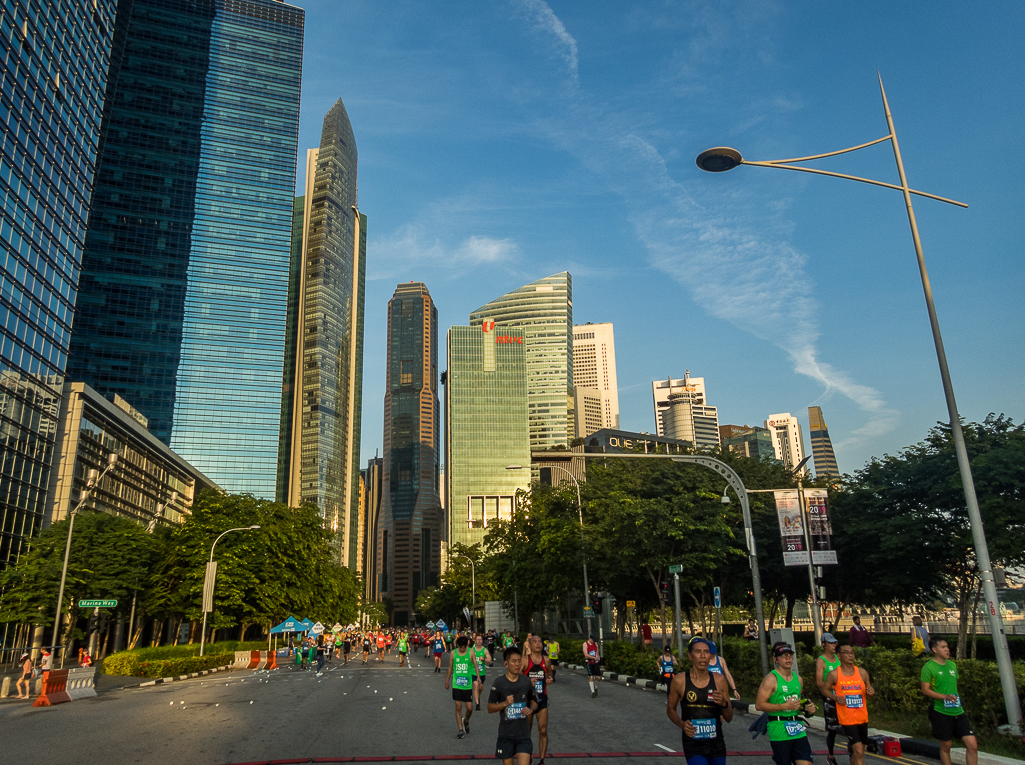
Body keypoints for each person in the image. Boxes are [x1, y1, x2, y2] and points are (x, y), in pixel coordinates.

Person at [667, 637, 733, 765]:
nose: (703, 656)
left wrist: (723, 704)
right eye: (698, 652)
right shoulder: (680, 680)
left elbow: (729, 717)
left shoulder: (719, 680)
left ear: (710, 656)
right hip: (693, 742)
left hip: (716, 742)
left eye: (706, 652)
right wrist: (681, 724)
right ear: (690, 656)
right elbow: (670, 709)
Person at [755, 642, 817, 765]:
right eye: (783, 655)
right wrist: (784, 706)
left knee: (806, 763)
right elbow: (759, 705)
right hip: (779, 729)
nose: (787, 658)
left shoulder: (798, 679)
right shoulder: (771, 679)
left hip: (797, 728)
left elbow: (798, 704)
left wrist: (808, 710)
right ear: (776, 659)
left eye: (790, 655)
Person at [920, 637, 978, 765]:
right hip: (940, 711)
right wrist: (944, 697)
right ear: (934, 649)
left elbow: (953, 686)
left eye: (947, 647)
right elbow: (925, 690)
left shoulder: (952, 665)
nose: (947, 649)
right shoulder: (928, 667)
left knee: (972, 745)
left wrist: (953, 699)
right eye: (943, 647)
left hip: (957, 710)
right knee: (946, 746)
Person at [488, 645, 539, 765]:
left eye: (519, 661)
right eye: (514, 661)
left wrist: (531, 709)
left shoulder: (526, 681)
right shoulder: (499, 683)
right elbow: (490, 708)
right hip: (506, 734)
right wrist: (504, 704)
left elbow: (535, 702)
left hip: (523, 735)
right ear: (506, 664)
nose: (517, 664)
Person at [824, 645, 875, 765]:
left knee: (859, 751)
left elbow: (869, 690)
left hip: (862, 716)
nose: (850, 655)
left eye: (852, 652)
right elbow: (824, 689)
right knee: (858, 750)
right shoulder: (834, 674)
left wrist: (870, 692)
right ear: (839, 656)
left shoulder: (862, 673)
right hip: (847, 717)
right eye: (846, 652)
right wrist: (835, 697)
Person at [814, 633, 843, 765]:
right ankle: (830, 755)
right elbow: (819, 682)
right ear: (824, 644)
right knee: (832, 729)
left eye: (835, 643)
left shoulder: (838, 658)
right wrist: (832, 687)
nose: (834, 645)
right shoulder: (821, 661)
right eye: (831, 643)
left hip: (842, 696)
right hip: (830, 698)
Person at [446, 634, 481, 739]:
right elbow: (450, 667)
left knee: (469, 708)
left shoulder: (471, 652)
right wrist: (447, 680)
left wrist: (478, 677)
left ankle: (466, 721)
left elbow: (475, 664)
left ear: (467, 645)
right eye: (460, 647)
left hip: (467, 684)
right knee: (458, 707)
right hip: (457, 684)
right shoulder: (453, 653)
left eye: (463, 647)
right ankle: (460, 729)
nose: (462, 649)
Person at [524, 635, 552, 765]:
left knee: (543, 730)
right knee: (527, 731)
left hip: (542, 698)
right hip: (528, 700)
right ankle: (528, 755)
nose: (538, 643)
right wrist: (528, 681)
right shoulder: (525, 660)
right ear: (529, 645)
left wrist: (549, 679)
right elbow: (516, 679)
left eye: (539, 641)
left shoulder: (546, 660)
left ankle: (541, 760)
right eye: (534, 641)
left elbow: (550, 674)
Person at [473, 634, 492, 711]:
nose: (479, 641)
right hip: (473, 672)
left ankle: (477, 696)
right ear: (475, 641)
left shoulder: (485, 650)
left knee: (480, 688)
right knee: (476, 685)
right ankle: (477, 703)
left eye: (480, 639)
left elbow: (490, 660)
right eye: (477, 639)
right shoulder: (472, 650)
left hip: (482, 673)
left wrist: (483, 659)